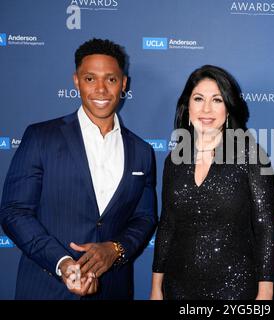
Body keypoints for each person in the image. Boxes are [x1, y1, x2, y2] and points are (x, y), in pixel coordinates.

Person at [0, 38, 157, 299]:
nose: (101, 90)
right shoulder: (41, 137)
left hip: (113, 291)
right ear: (76, 81)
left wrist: (115, 249)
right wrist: (62, 263)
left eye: (111, 79)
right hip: (46, 289)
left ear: (124, 84)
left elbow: (145, 217)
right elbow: (14, 211)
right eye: (90, 79)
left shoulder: (141, 151)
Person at [150, 65, 274, 300]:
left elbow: (265, 228)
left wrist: (266, 292)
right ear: (187, 106)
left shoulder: (251, 156)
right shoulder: (174, 160)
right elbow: (167, 224)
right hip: (177, 286)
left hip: (235, 289)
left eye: (217, 100)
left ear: (228, 108)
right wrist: (156, 287)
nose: (206, 109)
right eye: (198, 99)